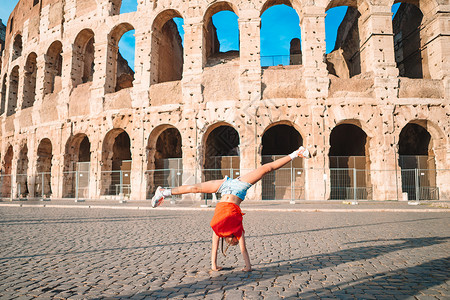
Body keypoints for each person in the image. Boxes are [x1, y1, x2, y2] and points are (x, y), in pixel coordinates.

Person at [151, 146, 311, 272]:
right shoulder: (238, 231)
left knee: (195, 188)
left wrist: (214, 266)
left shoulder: (218, 229)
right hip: (239, 187)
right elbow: (244, 251)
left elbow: (215, 248)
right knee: (266, 169)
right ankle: (297, 153)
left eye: (233, 242)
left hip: (225, 187)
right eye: (236, 242)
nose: (236, 242)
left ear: (229, 240)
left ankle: (164, 191)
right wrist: (248, 267)